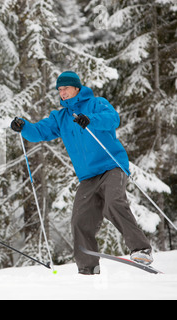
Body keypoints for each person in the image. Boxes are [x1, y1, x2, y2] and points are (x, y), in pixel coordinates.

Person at [11, 71, 153, 275]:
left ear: (77, 87)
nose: (62, 93)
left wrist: (90, 120)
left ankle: (141, 249)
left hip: (111, 166)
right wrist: (23, 126)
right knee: (80, 219)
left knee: (114, 203)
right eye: (59, 90)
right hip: (87, 176)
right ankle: (88, 268)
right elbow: (38, 132)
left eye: (66, 88)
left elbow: (112, 119)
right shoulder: (60, 117)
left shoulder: (97, 103)